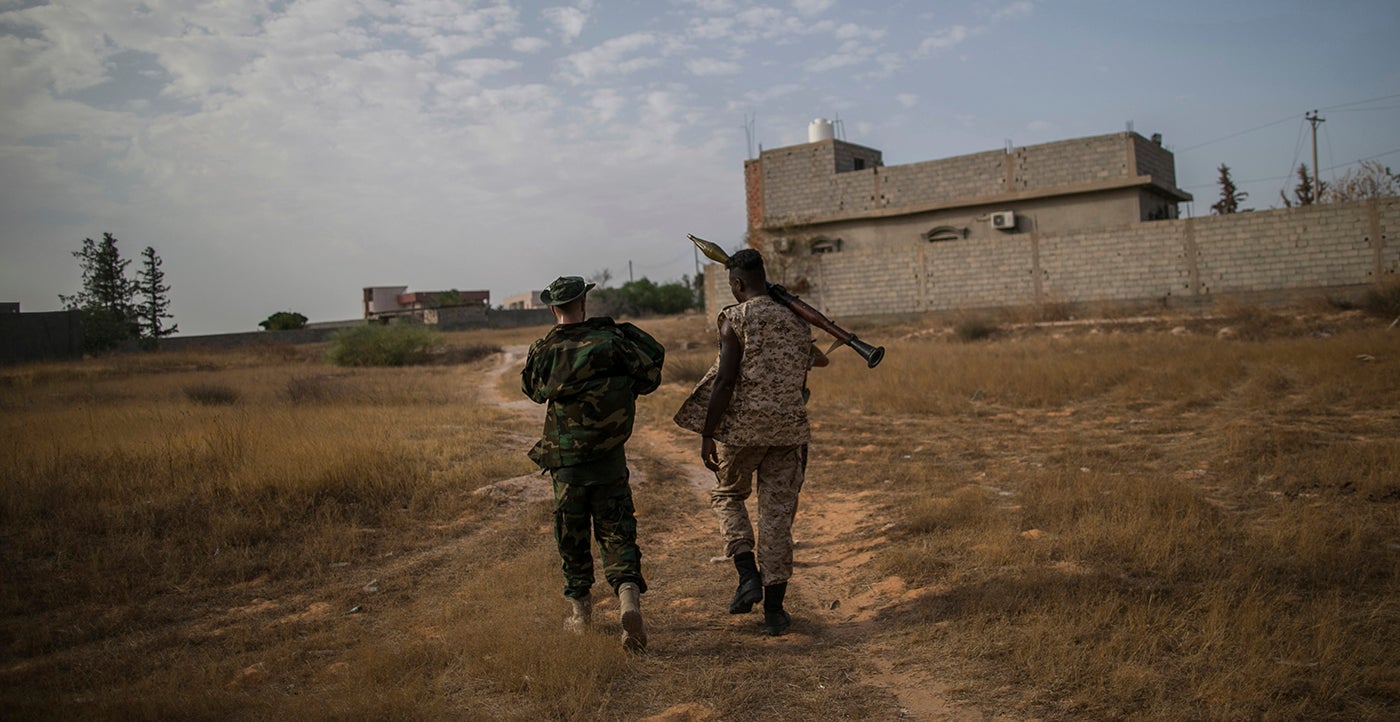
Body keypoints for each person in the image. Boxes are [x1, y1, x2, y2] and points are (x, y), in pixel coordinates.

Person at [673, 249, 821, 636]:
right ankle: (775, 612)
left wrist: (708, 433)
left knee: (727, 495)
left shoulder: (736, 318)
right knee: (777, 516)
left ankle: (747, 575)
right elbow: (808, 365)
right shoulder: (799, 318)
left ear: (737, 284)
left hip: (742, 432)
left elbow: (724, 380)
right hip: (789, 432)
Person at [521, 275, 664, 652]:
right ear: (584, 303)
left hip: (567, 466)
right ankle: (628, 599)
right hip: (609, 462)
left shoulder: (545, 350)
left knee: (572, 538)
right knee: (618, 531)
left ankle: (579, 614)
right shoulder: (614, 342)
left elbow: (533, 391)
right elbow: (651, 374)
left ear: (554, 309)